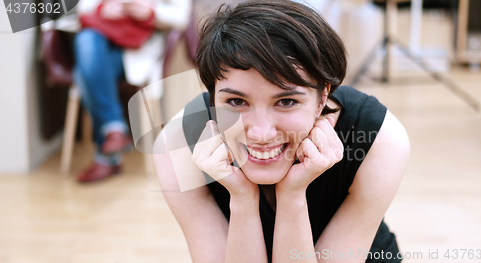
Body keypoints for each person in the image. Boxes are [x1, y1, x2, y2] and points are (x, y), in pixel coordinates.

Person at [154, 0, 410, 262]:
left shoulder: (378, 137)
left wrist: (292, 196)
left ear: (323, 98)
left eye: (286, 102)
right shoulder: (179, 143)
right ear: (212, 97)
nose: (261, 133)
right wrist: (242, 199)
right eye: (236, 102)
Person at [73, 0, 192, 182]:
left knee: (85, 72)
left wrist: (151, 11)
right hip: (101, 41)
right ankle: (114, 133)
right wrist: (102, 7)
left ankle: (108, 151)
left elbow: (181, 17)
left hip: (138, 50)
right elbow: (82, 7)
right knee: (86, 42)